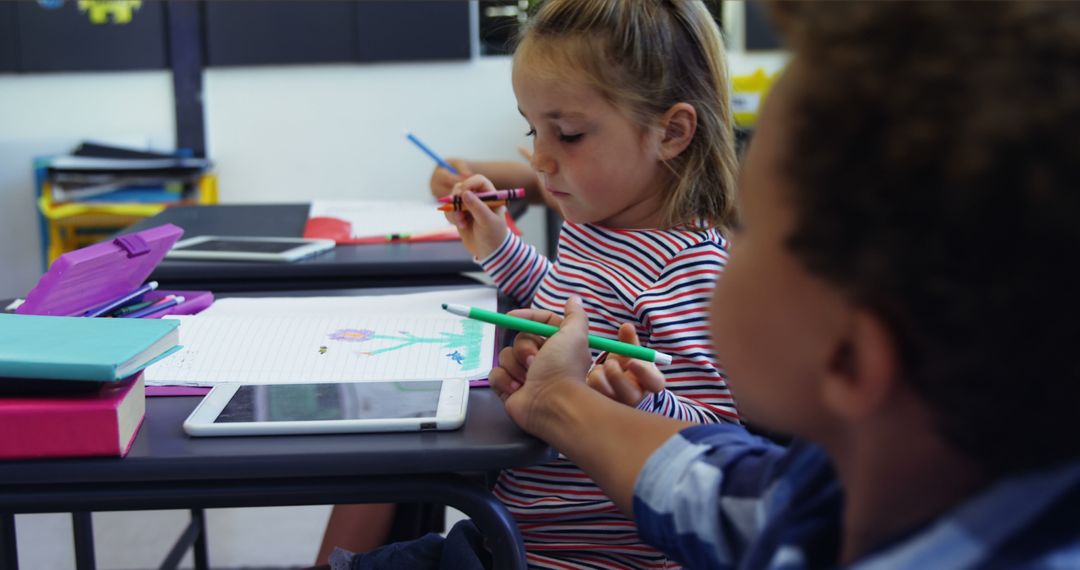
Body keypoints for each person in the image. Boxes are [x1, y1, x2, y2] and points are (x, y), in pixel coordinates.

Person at [489, 1, 1080, 568]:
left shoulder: (684, 258)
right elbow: (702, 476)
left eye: (748, 227)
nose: (722, 242)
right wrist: (554, 398)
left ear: (850, 357)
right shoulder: (821, 503)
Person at [325, 0, 740, 567]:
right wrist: (497, 245)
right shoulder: (597, 221)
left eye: (567, 134)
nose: (540, 159)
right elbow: (570, 304)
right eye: (532, 128)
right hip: (518, 530)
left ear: (671, 132)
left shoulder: (691, 269)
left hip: (588, 554)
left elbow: (721, 444)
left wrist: (648, 400)